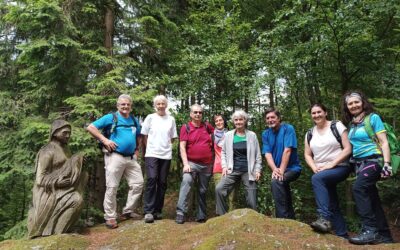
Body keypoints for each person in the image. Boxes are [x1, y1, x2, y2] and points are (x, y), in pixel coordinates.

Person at [342, 91, 393, 244]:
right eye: (350, 103)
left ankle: (370, 230)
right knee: (372, 197)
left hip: (374, 160)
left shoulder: (373, 118)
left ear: (363, 102)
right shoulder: (352, 124)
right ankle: (385, 236)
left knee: (358, 188)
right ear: (347, 107)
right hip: (360, 164)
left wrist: (387, 164)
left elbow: (384, 142)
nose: (353, 105)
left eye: (356, 102)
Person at [87, 94, 143, 229]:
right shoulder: (111, 117)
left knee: (138, 183)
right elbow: (91, 127)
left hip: (130, 157)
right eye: (123, 104)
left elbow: (139, 136)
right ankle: (110, 217)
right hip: (115, 156)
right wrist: (105, 140)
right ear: (118, 106)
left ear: (131, 106)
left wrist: (137, 150)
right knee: (112, 187)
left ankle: (128, 211)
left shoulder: (134, 120)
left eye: (128, 104)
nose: (125, 106)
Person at [28, 120, 87, 238]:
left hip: (63, 188)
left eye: (69, 133)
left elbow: (66, 169)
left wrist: (77, 163)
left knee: (81, 188)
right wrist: (58, 182)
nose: (68, 135)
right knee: (76, 200)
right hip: (48, 192)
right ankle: (56, 233)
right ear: (55, 133)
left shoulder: (66, 149)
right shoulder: (47, 151)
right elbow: (40, 179)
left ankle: (60, 231)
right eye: (65, 132)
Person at [304, 104, 352, 238]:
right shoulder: (310, 133)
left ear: (325, 113)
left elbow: (348, 148)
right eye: (313, 113)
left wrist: (331, 164)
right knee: (332, 202)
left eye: (319, 112)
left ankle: (323, 219)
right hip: (321, 171)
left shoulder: (336, 126)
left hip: (340, 167)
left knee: (317, 179)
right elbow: (307, 154)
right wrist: (314, 167)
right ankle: (343, 235)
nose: (316, 115)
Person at [215, 110, 262, 215]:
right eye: (236, 120)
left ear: (245, 121)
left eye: (241, 119)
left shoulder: (252, 135)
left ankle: (253, 220)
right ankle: (222, 216)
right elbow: (223, 153)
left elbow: (257, 155)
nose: (238, 122)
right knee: (219, 189)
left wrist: (258, 170)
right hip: (233, 170)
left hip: (248, 171)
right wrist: (224, 167)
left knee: (252, 200)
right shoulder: (228, 135)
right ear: (233, 122)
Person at [141, 95, 177, 223]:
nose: (161, 106)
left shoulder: (171, 119)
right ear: (155, 105)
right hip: (152, 154)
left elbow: (172, 137)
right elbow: (144, 135)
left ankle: (158, 210)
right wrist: (150, 148)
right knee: (151, 179)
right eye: (158, 104)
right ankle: (148, 211)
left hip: (166, 155)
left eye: (163, 103)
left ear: (166, 105)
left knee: (162, 182)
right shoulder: (150, 118)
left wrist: (165, 146)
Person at [175, 104, 214, 224]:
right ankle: (181, 212)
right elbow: (182, 146)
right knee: (186, 182)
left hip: (207, 164)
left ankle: (201, 215)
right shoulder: (186, 127)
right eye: (195, 112)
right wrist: (185, 164)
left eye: (200, 112)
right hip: (191, 163)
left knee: (202, 190)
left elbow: (219, 134)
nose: (198, 114)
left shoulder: (207, 126)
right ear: (191, 114)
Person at [262, 108, 302, 219]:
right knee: (283, 186)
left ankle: (282, 219)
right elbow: (267, 154)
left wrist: (281, 171)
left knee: (276, 181)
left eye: (273, 117)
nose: (270, 120)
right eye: (268, 118)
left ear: (279, 118)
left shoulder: (288, 129)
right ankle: (291, 218)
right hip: (278, 169)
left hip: (292, 168)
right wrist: (275, 169)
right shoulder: (265, 134)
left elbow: (287, 150)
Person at [212, 114, 238, 210]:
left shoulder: (232, 134)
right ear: (214, 123)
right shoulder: (212, 136)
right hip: (218, 168)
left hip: (232, 167)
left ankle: (232, 218)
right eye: (216, 121)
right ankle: (221, 218)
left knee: (233, 196)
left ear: (224, 121)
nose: (219, 122)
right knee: (220, 194)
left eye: (220, 120)